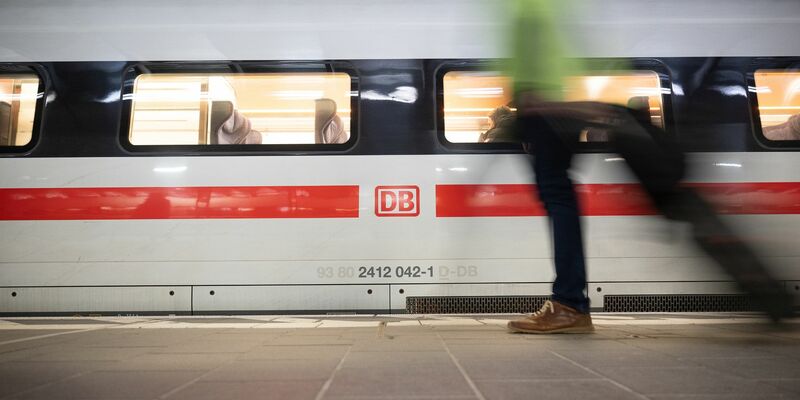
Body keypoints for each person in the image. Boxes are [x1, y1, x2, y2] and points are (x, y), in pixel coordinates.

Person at [502, 0, 793, 334]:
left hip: (550, 113)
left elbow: (552, 58)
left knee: (561, 198)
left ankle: (569, 304)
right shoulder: (539, 10)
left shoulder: (532, 10)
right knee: (682, 211)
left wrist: (544, 102)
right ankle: (570, 303)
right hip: (561, 114)